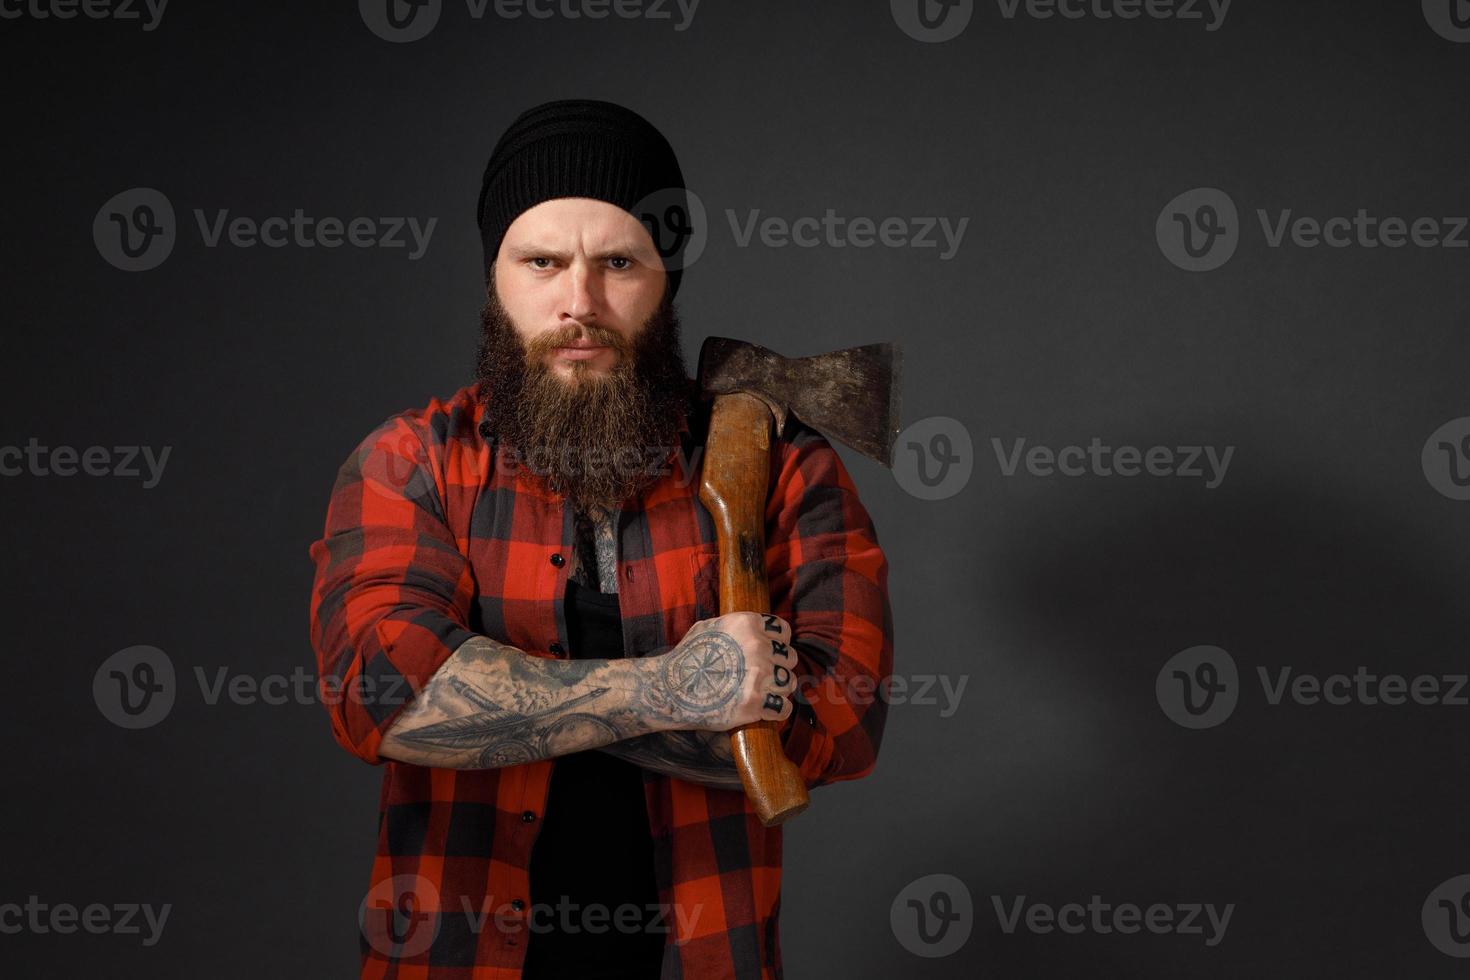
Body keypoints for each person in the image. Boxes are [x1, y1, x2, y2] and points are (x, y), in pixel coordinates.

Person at [307, 98, 894, 979]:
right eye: (540, 261)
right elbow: (385, 694)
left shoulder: (776, 467)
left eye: (618, 262)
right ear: (494, 276)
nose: (577, 303)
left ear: (667, 281)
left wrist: (502, 692)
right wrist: (680, 688)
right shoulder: (409, 464)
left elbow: (842, 722)